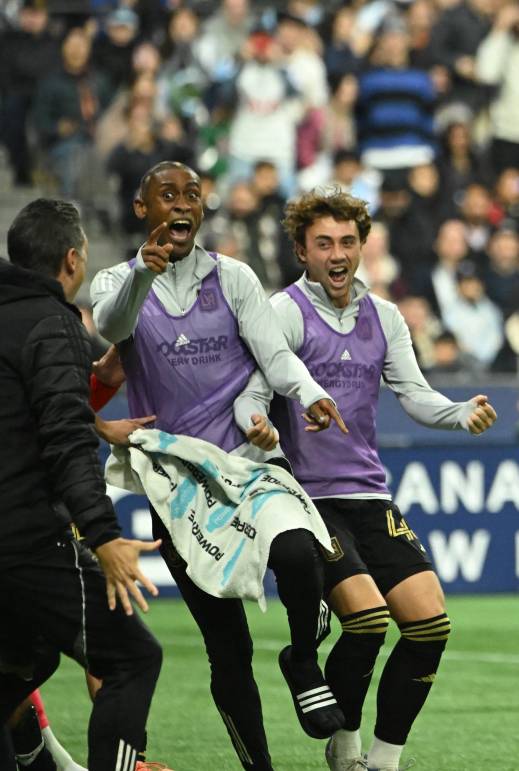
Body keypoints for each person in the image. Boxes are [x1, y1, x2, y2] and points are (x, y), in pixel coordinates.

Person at [89, 161, 349, 771]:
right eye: (167, 195)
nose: (182, 204)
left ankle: (304, 659)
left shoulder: (232, 277)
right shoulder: (113, 281)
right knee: (225, 646)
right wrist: (141, 276)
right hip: (178, 479)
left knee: (295, 549)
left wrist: (309, 393)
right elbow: (112, 326)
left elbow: (274, 352)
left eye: (192, 195)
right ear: (141, 209)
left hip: (247, 458)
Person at [234, 188, 496, 771]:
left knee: (430, 627)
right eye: (323, 242)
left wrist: (460, 413)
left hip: (370, 496)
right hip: (306, 498)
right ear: (301, 250)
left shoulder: (386, 316)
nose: (337, 253)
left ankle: (384, 760)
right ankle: (344, 747)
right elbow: (253, 392)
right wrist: (257, 427)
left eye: (348, 241)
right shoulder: (284, 312)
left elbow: (417, 396)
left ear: (363, 246)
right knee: (370, 619)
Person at [0, 199, 165, 771]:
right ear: (73, 259)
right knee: (133, 656)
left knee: (24, 660)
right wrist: (104, 534)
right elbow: (65, 438)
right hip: (19, 539)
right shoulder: (51, 321)